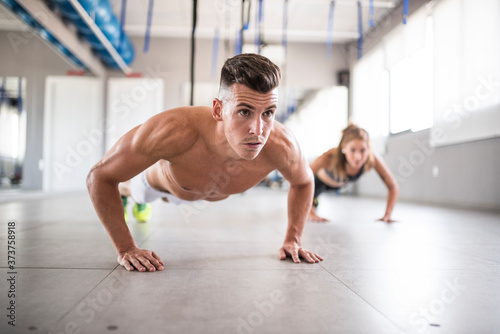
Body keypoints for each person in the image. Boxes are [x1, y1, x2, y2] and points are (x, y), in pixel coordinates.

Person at [87, 53, 323, 272]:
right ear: (218, 110)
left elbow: (304, 182)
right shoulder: (174, 129)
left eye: (268, 112)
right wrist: (126, 248)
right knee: (137, 191)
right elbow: (99, 176)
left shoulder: (282, 146)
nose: (258, 130)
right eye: (244, 112)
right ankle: (132, 197)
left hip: (201, 190)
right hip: (160, 186)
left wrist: (294, 239)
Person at [308, 124, 399, 223]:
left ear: (368, 149)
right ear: (344, 147)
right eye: (352, 150)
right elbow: (302, 179)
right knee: (311, 202)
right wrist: (311, 212)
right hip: (316, 185)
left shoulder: (371, 159)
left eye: (363, 150)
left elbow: (393, 186)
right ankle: (313, 202)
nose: (358, 157)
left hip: (339, 185)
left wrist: (387, 215)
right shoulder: (329, 157)